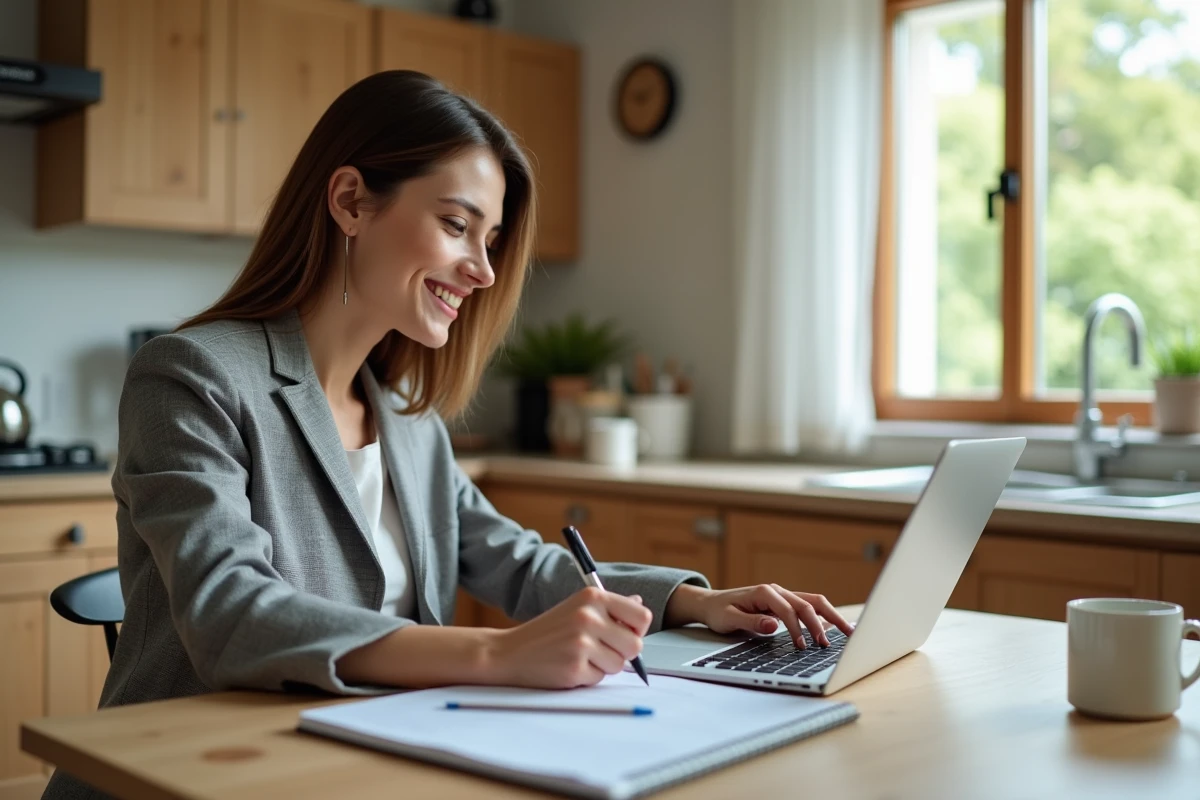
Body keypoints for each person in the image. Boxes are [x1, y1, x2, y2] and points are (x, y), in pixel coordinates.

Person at [43, 70, 851, 799]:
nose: (485, 270)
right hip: (188, 776)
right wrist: (500, 655)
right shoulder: (191, 376)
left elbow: (517, 561)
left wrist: (694, 602)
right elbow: (235, 617)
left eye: (491, 240)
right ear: (352, 201)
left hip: (355, 761)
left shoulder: (402, 415)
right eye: (458, 225)